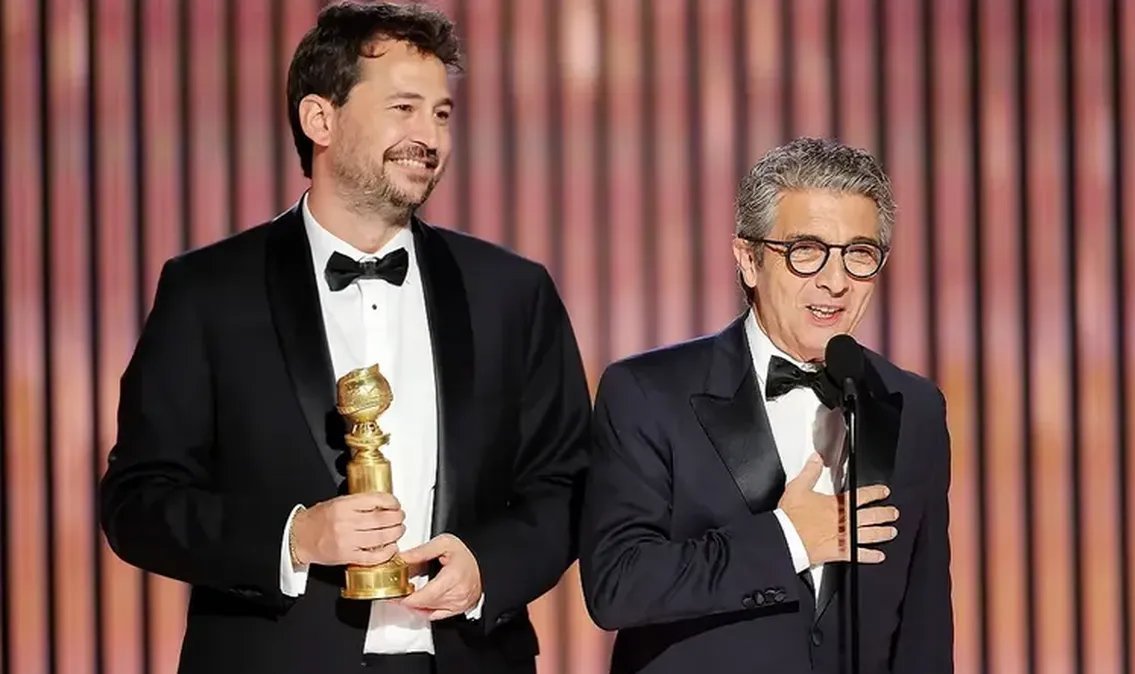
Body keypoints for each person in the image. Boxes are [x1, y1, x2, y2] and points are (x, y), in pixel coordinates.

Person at [99, 3, 590, 673]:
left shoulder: (512, 292)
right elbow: (138, 501)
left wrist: (487, 568)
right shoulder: (208, 291)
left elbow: (565, 482)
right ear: (319, 119)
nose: (431, 137)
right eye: (403, 108)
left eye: (441, 114)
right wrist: (293, 538)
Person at [579, 137, 953, 673]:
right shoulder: (646, 394)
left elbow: (923, 624)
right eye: (806, 251)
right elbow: (618, 585)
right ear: (748, 261)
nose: (835, 280)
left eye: (859, 255)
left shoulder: (914, 406)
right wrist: (788, 539)